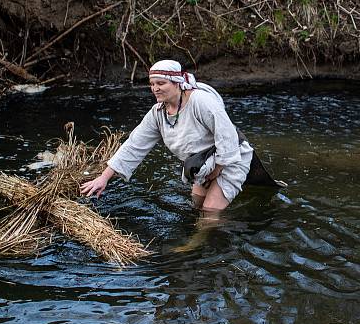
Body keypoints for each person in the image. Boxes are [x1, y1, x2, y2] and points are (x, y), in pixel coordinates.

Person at [79, 60, 254, 213]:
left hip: (230, 158)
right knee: (196, 202)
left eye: (161, 83)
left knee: (209, 212)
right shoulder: (158, 112)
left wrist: (216, 171)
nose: (155, 88)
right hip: (201, 164)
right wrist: (103, 177)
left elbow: (228, 136)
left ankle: (195, 247)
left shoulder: (201, 101)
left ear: (177, 83)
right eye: (152, 84)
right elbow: (134, 145)